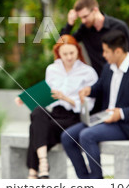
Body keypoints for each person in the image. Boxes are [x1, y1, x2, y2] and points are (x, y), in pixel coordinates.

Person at [61, 30, 129, 179]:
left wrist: (122, 113)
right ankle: (85, 179)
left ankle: (98, 181)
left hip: (127, 125)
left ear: (118, 51)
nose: (103, 55)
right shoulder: (108, 68)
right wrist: (89, 90)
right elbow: (100, 87)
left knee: (86, 136)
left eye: (106, 51)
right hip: (105, 118)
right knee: (67, 136)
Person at [15, 35, 98, 179]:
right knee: (38, 112)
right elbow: (47, 93)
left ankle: (34, 172)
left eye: (72, 53)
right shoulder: (52, 69)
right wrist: (25, 98)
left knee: (35, 129)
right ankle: (43, 162)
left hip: (73, 117)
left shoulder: (88, 72)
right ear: (58, 53)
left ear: (78, 51)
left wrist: (66, 98)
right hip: (55, 113)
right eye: (65, 54)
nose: (69, 57)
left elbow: (89, 104)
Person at [60, 0, 129, 77]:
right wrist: (70, 24)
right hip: (98, 80)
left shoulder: (119, 27)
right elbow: (62, 44)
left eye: (85, 16)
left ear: (95, 10)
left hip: (120, 78)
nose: (83, 21)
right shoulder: (84, 30)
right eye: (80, 18)